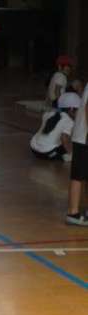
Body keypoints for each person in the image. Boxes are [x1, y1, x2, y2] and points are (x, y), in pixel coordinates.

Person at [30, 93, 80, 162]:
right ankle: (64, 157)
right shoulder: (69, 121)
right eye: (78, 110)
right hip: (46, 153)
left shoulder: (48, 114)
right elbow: (64, 138)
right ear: (71, 109)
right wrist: (71, 153)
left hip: (33, 149)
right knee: (74, 148)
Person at [66, 83, 88, 226]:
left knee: (81, 175)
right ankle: (73, 213)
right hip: (84, 138)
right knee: (78, 176)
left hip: (82, 137)